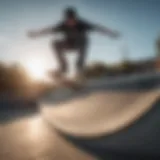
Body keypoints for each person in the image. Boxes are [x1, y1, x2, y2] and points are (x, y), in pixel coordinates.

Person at [28, 7, 121, 80]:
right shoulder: (62, 25)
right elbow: (48, 30)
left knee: (85, 40)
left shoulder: (83, 24)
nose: (70, 22)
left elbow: (98, 28)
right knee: (54, 43)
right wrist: (36, 34)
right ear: (65, 19)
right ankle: (63, 68)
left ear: (75, 18)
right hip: (69, 45)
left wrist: (111, 33)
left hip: (81, 44)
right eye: (68, 20)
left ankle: (79, 67)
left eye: (72, 20)